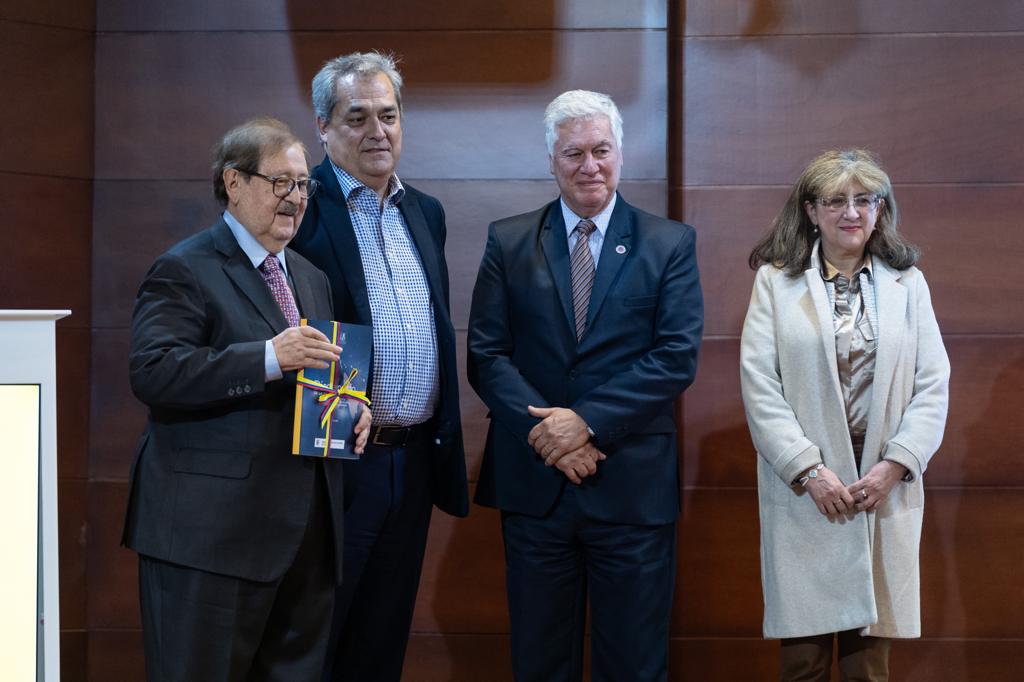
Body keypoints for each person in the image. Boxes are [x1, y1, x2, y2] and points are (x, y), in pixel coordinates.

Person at [467, 89, 704, 682]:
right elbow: (486, 355)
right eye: (573, 153)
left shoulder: (668, 243)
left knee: (634, 663)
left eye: (601, 150)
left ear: (620, 153)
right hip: (535, 486)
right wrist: (550, 433)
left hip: (630, 487)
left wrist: (586, 421)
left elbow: (675, 358)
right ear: (551, 161)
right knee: (540, 661)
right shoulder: (509, 240)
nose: (589, 165)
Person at [123, 117, 371, 680]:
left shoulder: (310, 276)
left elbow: (313, 374)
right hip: (209, 543)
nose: (296, 198)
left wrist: (349, 408)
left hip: (306, 540)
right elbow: (154, 372)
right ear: (234, 183)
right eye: (281, 182)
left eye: (304, 184)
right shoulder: (183, 268)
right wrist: (267, 358)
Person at [289, 51, 469, 682]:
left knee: (382, 641)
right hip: (335, 461)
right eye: (357, 117)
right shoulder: (299, 210)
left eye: (388, 116)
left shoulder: (426, 211)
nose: (377, 132)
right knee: (319, 639)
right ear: (323, 126)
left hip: (412, 459)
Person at [740, 149, 950, 681]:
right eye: (835, 200)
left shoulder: (910, 283)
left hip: (882, 481)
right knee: (804, 663)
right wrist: (808, 469)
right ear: (811, 211)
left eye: (864, 200)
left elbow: (933, 386)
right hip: (806, 484)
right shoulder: (775, 282)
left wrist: (896, 465)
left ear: (880, 210)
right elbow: (761, 386)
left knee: (868, 669)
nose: (851, 212)